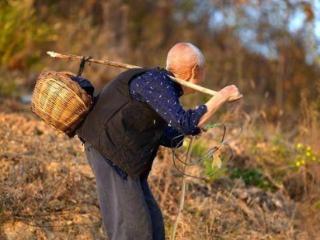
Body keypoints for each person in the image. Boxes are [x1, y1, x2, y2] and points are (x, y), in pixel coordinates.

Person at [75, 42, 242, 240]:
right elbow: (185, 122)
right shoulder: (156, 81)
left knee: (153, 228)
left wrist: (194, 129)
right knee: (133, 232)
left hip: (123, 159)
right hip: (110, 153)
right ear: (195, 71)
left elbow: (170, 135)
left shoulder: (160, 88)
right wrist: (222, 96)